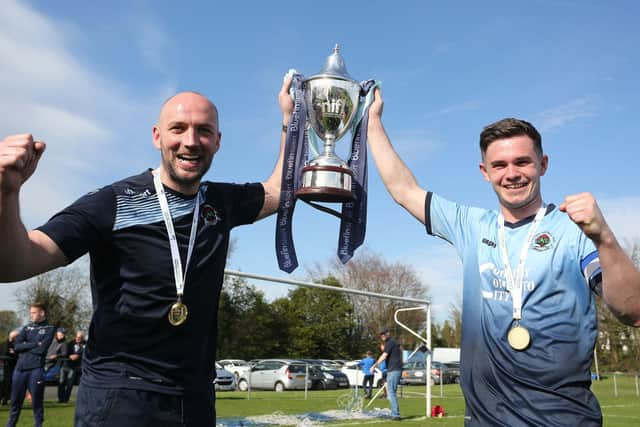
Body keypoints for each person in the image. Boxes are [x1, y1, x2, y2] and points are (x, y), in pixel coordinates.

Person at [0, 78, 293, 426]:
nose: (190, 141)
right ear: (157, 136)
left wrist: (291, 118)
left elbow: (279, 189)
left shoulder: (220, 202)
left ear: (217, 141)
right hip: (120, 396)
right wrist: (6, 192)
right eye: (178, 129)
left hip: (195, 398)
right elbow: (17, 263)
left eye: (203, 131)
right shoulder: (113, 202)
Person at [365, 92, 640, 426]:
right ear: (485, 172)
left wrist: (605, 238)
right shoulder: (470, 225)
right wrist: (373, 123)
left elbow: (633, 311)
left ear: (543, 164)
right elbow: (403, 189)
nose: (511, 173)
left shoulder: (574, 230)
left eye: (522, 162)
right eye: (500, 165)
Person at [6, 303, 55, 427]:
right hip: (19, 369)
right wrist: (34, 344)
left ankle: (38, 424)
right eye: (31, 312)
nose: (31, 315)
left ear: (42, 313)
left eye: (33, 312)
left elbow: (42, 350)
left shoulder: (49, 328)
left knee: (36, 402)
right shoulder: (27, 327)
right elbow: (17, 346)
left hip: (35, 369)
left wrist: (26, 345)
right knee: (15, 401)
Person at [371, 329, 402, 420]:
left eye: (384, 334)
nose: (382, 336)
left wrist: (374, 365)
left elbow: (384, 356)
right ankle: (395, 413)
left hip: (393, 371)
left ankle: (396, 415)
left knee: (391, 393)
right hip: (395, 370)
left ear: (388, 334)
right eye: (381, 335)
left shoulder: (390, 343)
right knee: (392, 392)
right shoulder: (394, 343)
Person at [58, 330, 85, 403]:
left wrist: (78, 356)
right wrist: (70, 356)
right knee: (61, 382)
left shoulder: (85, 345)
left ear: (83, 338)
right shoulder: (70, 343)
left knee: (70, 384)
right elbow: (65, 352)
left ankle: (66, 399)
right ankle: (60, 399)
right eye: (77, 337)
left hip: (74, 367)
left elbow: (86, 354)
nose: (78, 338)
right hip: (65, 365)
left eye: (80, 337)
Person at [0, 330, 19, 406]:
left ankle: (7, 399)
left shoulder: (17, 345)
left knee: (11, 384)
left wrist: (14, 353)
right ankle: (4, 398)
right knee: (4, 383)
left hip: (14, 367)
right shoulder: (3, 345)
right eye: (15, 337)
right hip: (4, 366)